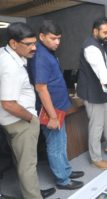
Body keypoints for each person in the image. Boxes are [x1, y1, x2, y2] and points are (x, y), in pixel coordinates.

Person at [0, 22, 55, 199]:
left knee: (21, 160)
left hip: (10, 121)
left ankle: (32, 190)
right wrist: (31, 118)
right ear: (14, 43)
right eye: (29, 44)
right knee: (28, 165)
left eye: (34, 43)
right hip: (20, 121)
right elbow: (8, 103)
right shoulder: (11, 66)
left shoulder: (5, 53)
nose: (34, 48)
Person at [28, 20, 84, 190]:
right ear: (42, 36)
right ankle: (63, 180)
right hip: (50, 110)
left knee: (61, 141)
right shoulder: (40, 56)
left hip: (58, 107)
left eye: (59, 39)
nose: (57, 42)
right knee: (55, 145)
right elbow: (41, 87)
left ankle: (65, 170)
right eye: (53, 38)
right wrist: (52, 116)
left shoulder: (48, 51)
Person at [76, 17, 107, 169]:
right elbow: (102, 72)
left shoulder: (100, 44)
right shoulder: (90, 47)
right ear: (95, 31)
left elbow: (105, 68)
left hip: (101, 91)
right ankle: (96, 159)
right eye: (105, 32)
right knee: (96, 126)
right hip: (92, 93)